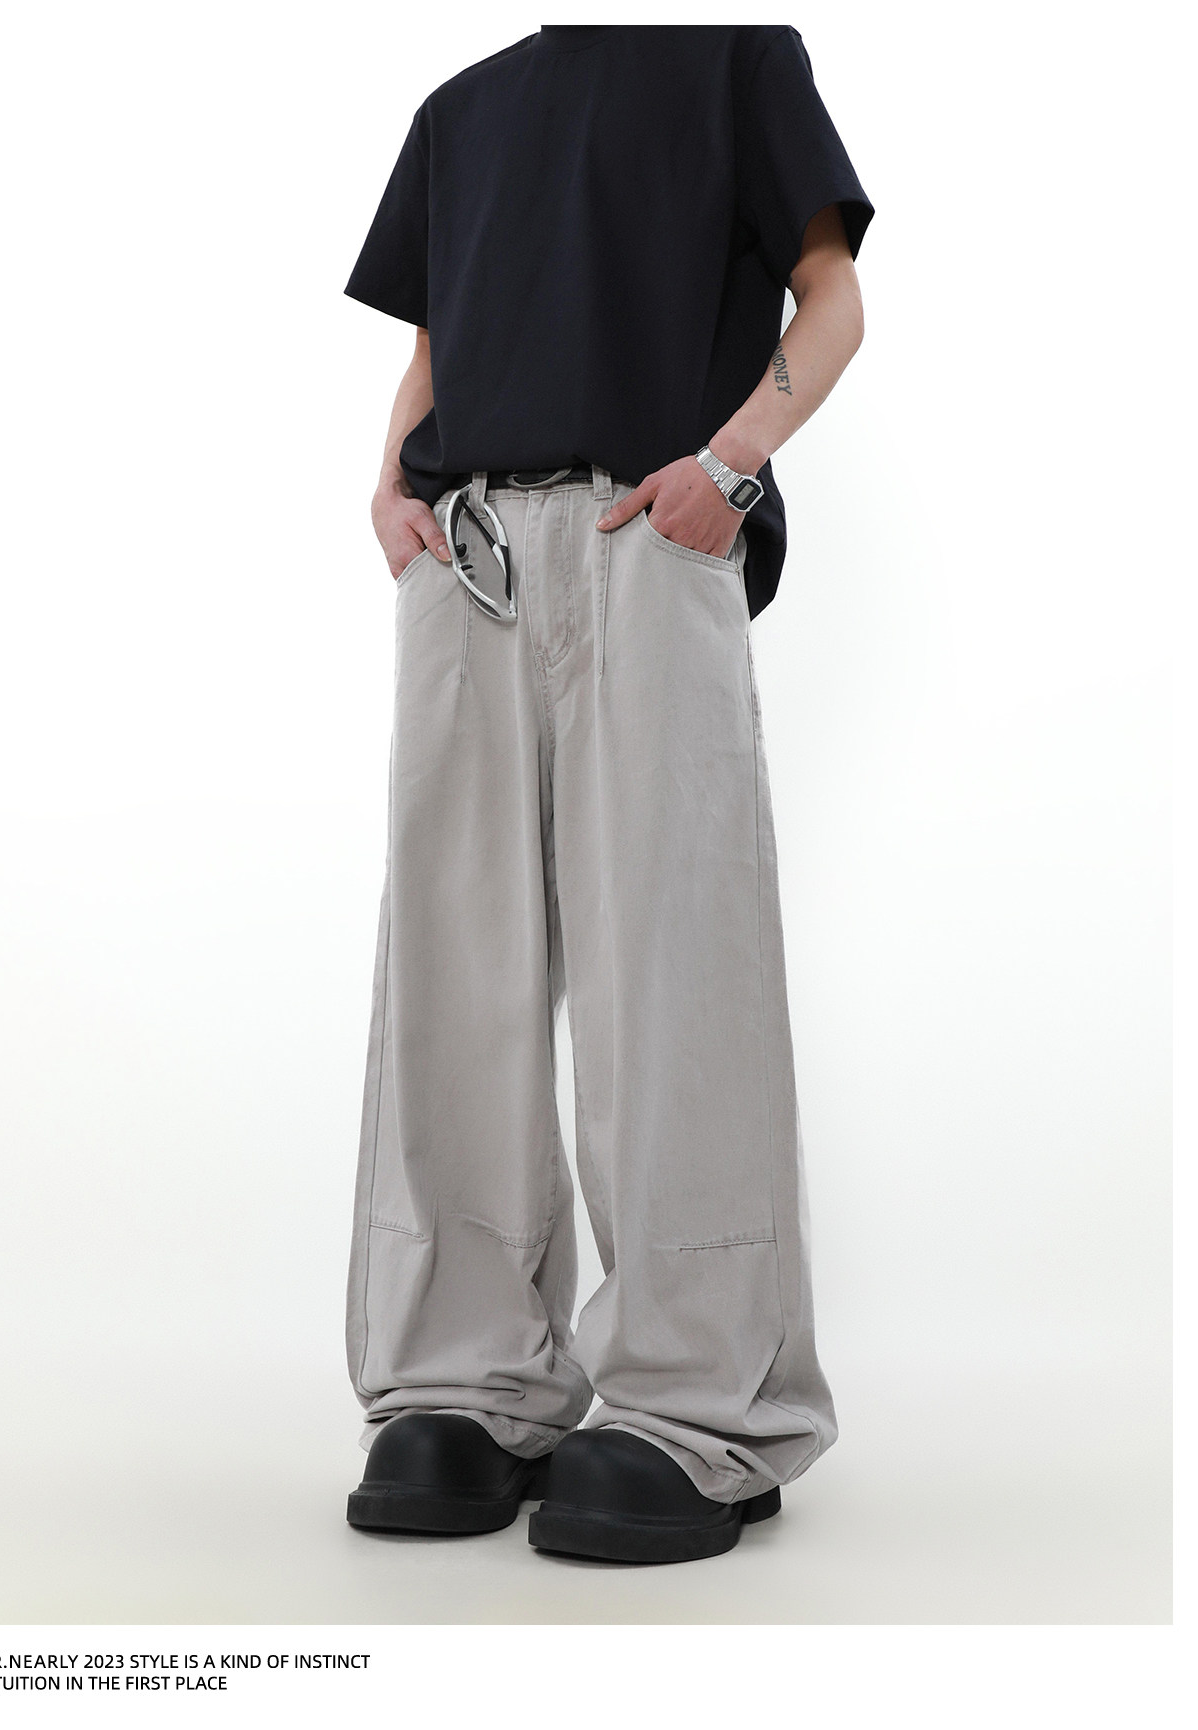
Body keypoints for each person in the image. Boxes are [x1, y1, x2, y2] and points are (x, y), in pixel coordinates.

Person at [340, 23, 873, 1566]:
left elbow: (832, 294)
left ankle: (697, 1401)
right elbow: (434, 345)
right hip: (465, 549)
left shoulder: (732, 59)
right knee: (454, 973)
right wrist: (388, 489)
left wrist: (734, 463)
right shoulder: (459, 109)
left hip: (651, 524)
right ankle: (463, 1378)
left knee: (670, 967)